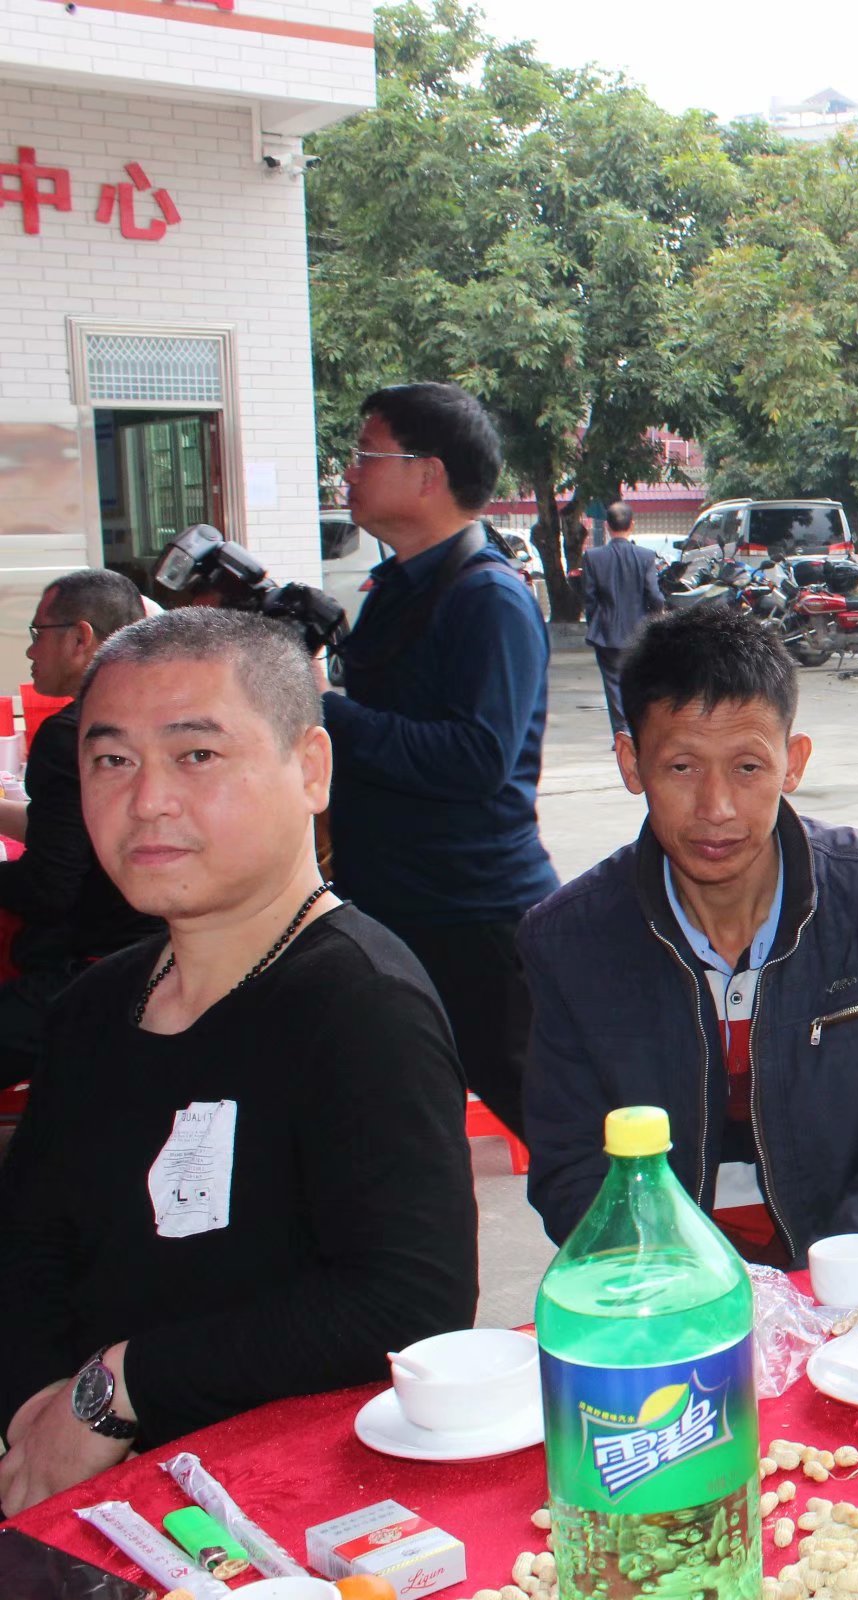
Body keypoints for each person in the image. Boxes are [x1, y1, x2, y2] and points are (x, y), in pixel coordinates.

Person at [0, 610, 475, 1512]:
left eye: (197, 756)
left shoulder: (359, 1002)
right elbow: (27, 1244)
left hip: (286, 1507)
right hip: (82, 1493)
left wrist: (118, 1386)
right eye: (112, 760)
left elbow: (407, 1304)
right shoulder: (96, 1006)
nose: (147, 801)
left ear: (311, 770)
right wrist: (36, 1417)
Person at [520, 604, 858, 1262]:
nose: (717, 809)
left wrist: (831, 1283)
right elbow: (571, 1169)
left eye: (747, 767)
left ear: (793, 763)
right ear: (630, 761)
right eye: (681, 767)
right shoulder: (568, 941)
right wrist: (692, 1288)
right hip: (666, 1288)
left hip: (849, 1279)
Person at [323, 381, 559, 1138]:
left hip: (472, 917)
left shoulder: (487, 598)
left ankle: (665, 1255)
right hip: (397, 904)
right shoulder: (396, 588)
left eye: (365, 454)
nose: (348, 473)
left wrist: (323, 714)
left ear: (428, 474)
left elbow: (476, 757)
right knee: (399, 1125)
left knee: (561, 1135)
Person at [0, 571, 159, 1078]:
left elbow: (50, 887)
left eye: (36, 634)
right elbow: (79, 833)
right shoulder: (163, 720)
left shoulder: (75, 733)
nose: (30, 653)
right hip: (169, 957)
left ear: (80, 638)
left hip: (95, 973)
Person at [580, 500, 667, 740]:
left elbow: (589, 598)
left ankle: (621, 731)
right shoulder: (645, 557)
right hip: (638, 631)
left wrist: (595, 622)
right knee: (640, 680)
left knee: (612, 683)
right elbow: (655, 597)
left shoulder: (593, 557)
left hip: (606, 632)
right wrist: (654, 618)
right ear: (632, 525)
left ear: (607, 526)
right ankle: (640, 729)